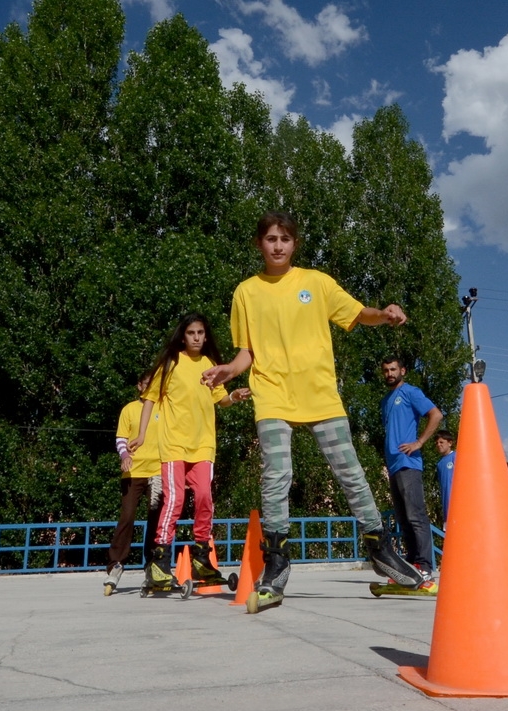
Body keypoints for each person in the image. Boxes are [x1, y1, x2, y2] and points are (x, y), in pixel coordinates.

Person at [200, 211, 425, 610]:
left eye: (285, 239)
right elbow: (245, 352)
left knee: (350, 472)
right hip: (271, 395)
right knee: (276, 475)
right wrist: (227, 371)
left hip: (320, 394)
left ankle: (379, 548)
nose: (278, 245)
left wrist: (384, 313)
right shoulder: (246, 292)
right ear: (259, 244)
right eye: (270, 238)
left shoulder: (316, 283)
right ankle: (277, 558)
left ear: (295, 244)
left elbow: (357, 314)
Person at [129, 312, 251, 590]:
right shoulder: (171, 363)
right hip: (174, 445)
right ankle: (159, 561)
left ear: (206, 336)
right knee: (175, 500)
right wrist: (142, 434)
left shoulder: (209, 364)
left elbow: (221, 399)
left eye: (200, 333)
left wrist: (234, 396)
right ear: (182, 336)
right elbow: (149, 400)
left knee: (206, 498)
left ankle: (200, 557)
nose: (196, 337)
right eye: (191, 333)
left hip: (203, 445)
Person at [381, 356, 443, 578]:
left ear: (403, 371)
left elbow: (436, 415)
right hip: (394, 466)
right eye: (386, 370)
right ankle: (412, 564)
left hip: (409, 463)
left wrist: (419, 442)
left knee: (415, 515)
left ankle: (425, 566)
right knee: (403, 517)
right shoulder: (386, 400)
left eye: (393, 369)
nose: (390, 373)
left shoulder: (410, 392)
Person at [103, 372, 163, 595]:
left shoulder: (163, 408)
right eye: (146, 384)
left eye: (153, 385)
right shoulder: (129, 409)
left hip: (158, 471)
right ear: (139, 386)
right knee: (127, 516)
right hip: (134, 470)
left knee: (156, 518)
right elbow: (121, 438)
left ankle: (153, 563)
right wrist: (124, 456)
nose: (149, 388)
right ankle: (116, 564)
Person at [434, 429, 457, 528]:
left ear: (450, 443)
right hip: (446, 506)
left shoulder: (456, 456)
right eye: (437, 443)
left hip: (457, 504)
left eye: (441, 442)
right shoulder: (439, 464)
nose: (439, 445)